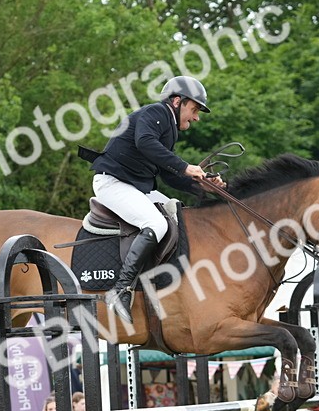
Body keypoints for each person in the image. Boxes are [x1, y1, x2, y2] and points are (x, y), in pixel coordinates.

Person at [92, 75, 223, 323]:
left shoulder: (167, 129)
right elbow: (144, 142)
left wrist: (204, 188)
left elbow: (168, 176)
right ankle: (120, 289)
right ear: (176, 101)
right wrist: (185, 166)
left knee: (178, 213)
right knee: (157, 224)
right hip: (113, 183)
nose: (196, 117)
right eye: (194, 109)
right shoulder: (156, 113)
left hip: (133, 187)